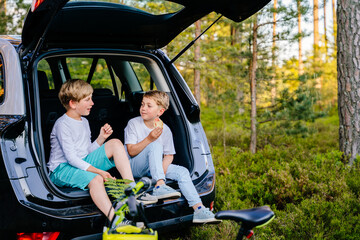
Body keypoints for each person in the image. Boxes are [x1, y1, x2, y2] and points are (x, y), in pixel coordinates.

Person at [124, 90, 220, 223]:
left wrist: (158, 172)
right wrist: (149, 138)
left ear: (160, 112)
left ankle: (199, 209)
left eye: (149, 106)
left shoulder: (165, 130)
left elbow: (169, 156)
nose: (143, 108)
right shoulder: (134, 123)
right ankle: (159, 186)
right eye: (142, 104)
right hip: (133, 166)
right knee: (155, 145)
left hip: (154, 168)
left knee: (182, 171)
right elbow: (131, 151)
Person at [47, 79, 135, 221]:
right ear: (73, 103)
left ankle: (131, 188)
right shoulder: (62, 125)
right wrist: (100, 171)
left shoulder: (84, 121)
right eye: (87, 100)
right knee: (96, 178)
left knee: (115, 143)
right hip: (61, 169)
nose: (92, 103)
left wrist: (101, 138)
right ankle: (116, 220)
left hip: (81, 162)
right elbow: (71, 158)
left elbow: (86, 152)